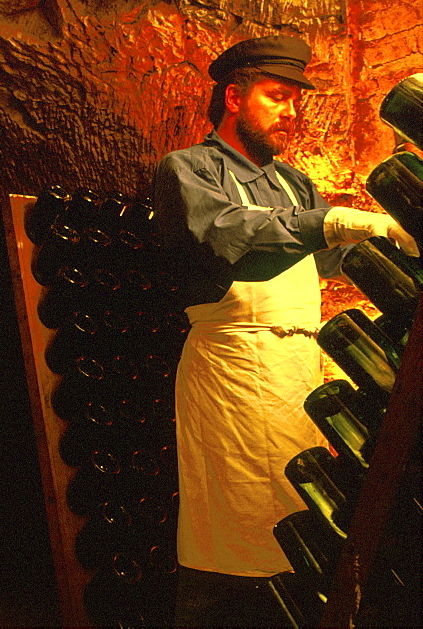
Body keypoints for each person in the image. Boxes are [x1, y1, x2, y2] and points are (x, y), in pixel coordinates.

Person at [149, 35, 418, 626]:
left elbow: (325, 261)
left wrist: (392, 243)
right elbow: (228, 231)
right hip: (233, 372)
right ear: (233, 96)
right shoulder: (189, 169)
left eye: (297, 101)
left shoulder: (295, 184)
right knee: (231, 532)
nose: (292, 114)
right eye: (277, 97)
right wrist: (341, 220)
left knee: (299, 521)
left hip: (296, 370)